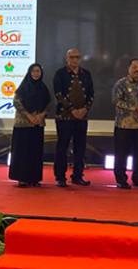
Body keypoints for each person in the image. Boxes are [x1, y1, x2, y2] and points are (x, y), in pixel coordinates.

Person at [52, 48, 95, 187]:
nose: (75, 60)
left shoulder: (86, 74)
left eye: (77, 57)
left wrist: (85, 109)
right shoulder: (60, 74)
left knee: (80, 148)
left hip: (82, 117)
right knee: (62, 147)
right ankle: (60, 177)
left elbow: (91, 94)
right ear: (67, 58)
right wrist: (72, 110)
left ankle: (77, 176)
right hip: (64, 117)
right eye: (72, 57)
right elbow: (58, 94)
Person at [111, 58, 138, 189]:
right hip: (124, 126)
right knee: (121, 154)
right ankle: (121, 180)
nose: (137, 70)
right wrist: (134, 108)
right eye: (134, 67)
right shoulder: (121, 84)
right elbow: (116, 101)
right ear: (129, 68)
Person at [8, 63, 51, 187]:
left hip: (38, 124)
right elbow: (16, 102)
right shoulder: (23, 87)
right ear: (29, 73)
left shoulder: (43, 88)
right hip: (23, 125)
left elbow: (49, 103)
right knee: (22, 152)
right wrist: (29, 116)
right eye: (33, 71)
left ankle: (34, 178)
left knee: (35, 152)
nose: (36, 74)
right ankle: (22, 178)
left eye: (38, 71)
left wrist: (41, 115)